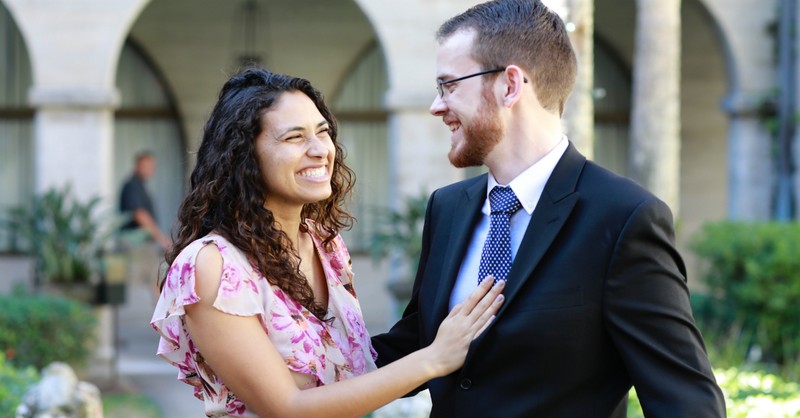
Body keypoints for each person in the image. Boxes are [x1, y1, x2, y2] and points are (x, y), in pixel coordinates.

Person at [370, 1, 727, 417]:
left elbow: (685, 402)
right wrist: (291, 354)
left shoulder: (624, 218)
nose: (437, 106)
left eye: (449, 86)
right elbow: (415, 344)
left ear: (510, 85)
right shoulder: (447, 208)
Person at [150, 68, 505, 418]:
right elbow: (287, 408)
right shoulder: (213, 266)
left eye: (323, 132)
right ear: (245, 156)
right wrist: (433, 359)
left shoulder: (325, 245)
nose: (320, 149)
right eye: (294, 138)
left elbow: (354, 370)